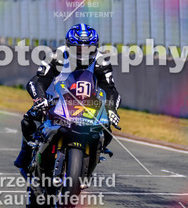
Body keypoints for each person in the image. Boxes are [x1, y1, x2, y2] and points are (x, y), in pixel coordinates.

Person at [14, 23, 121, 173]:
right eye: (78, 49)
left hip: (87, 105)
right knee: (29, 119)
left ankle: (95, 153)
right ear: (69, 46)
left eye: (88, 49)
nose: (83, 53)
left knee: (106, 126)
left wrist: (111, 109)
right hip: (55, 102)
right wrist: (40, 98)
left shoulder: (101, 62)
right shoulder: (56, 57)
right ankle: (26, 152)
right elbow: (37, 81)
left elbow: (110, 89)